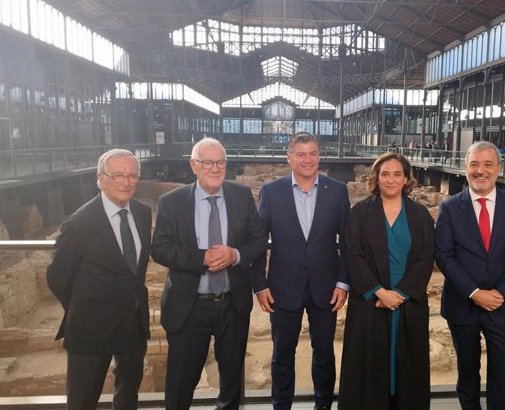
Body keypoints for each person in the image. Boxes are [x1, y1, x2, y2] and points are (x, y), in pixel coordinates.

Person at [152, 137, 267, 410]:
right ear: (194, 165)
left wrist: (235, 255)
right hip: (189, 307)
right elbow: (160, 249)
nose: (215, 168)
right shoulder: (172, 202)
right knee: (181, 381)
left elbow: (258, 239)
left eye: (220, 162)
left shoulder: (241, 196)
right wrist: (201, 257)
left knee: (231, 382)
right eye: (207, 162)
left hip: (232, 304)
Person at [46, 148, 152, 410]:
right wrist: (84, 307)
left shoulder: (141, 212)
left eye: (132, 175)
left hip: (132, 324)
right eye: (117, 175)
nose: (126, 182)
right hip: (90, 327)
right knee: (83, 401)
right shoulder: (80, 222)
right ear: (100, 178)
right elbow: (57, 276)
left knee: (128, 397)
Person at [252, 132, 350, 410]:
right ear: (289, 158)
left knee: (324, 353)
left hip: (326, 288)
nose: (308, 160)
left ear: (319, 156)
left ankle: (323, 405)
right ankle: (281, 405)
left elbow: (348, 242)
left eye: (313, 153)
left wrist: (343, 283)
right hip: (283, 287)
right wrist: (259, 283)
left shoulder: (337, 190)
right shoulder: (272, 192)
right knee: (282, 354)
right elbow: (259, 241)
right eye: (301, 154)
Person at [435, 141, 505, 409]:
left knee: (503, 376)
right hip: (462, 304)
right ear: (465, 168)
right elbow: (444, 256)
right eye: (474, 164)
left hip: (502, 306)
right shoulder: (450, 208)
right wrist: (475, 293)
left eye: (488, 164)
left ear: (499, 169)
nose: (480, 171)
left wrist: (499, 293)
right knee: (467, 374)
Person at [339, 152, 435, 409]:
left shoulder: (420, 215)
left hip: (408, 303)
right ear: (376, 178)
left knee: (407, 364)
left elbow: (426, 258)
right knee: (368, 363)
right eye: (385, 174)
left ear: (406, 179)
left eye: (397, 174)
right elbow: (353, 253)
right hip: (371, 302)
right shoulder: (359, 212)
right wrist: (378, 291)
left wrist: (401, 293)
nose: (390, 179)